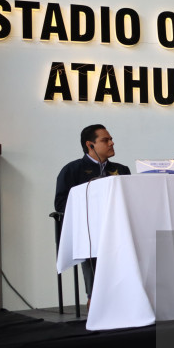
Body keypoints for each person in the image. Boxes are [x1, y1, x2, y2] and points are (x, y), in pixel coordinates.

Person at [54, 124, 131, 305]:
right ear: (90, 145)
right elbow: (60, 204)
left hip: (118, 228)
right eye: (105, 140)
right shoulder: (72, 170)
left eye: (111, 139)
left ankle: (126, 298)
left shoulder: (122, 170)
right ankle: (95, 299)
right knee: (91, 240)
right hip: (89, 230)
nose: (112, 143)